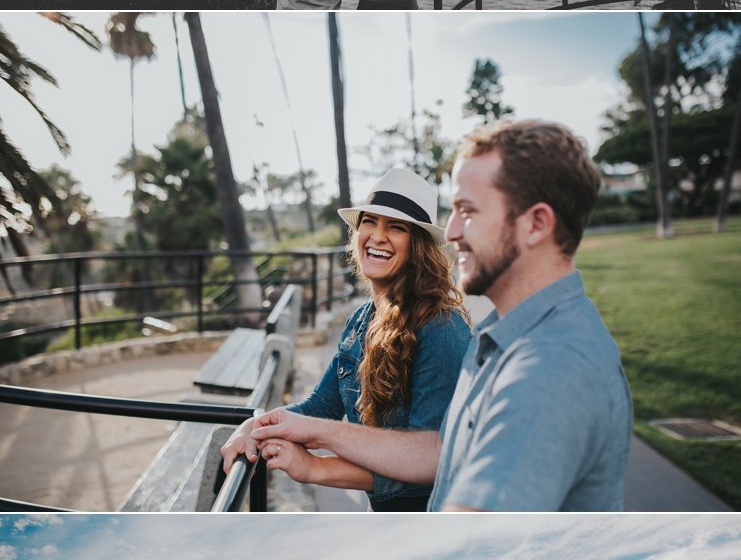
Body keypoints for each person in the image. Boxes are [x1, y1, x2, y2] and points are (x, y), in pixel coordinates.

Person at [249, 122, 633, 512]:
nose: (450, 232)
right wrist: (277, 432)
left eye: (467, 211)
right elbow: (438, 451)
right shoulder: (504, 338)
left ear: (536, 224)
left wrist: (317, 457)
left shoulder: (549, 365)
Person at [220, 167, 471, 512]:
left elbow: (430, 465)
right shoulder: (361, 320)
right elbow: (319, 407)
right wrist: (256, 424)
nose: (378, 236)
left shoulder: (441, 327)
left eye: (396, 227)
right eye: (370, 222)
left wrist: (316, 468)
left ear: (419, 246)